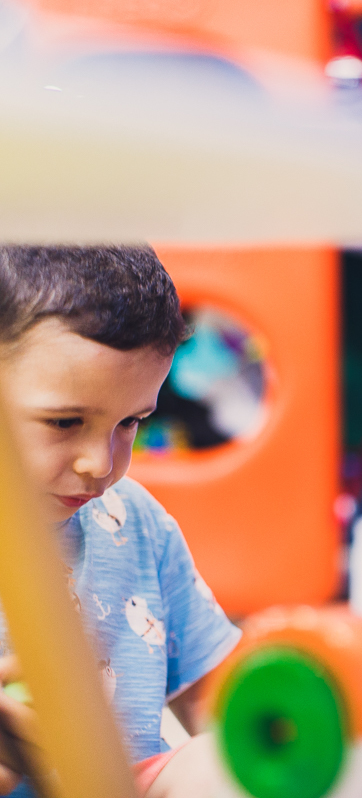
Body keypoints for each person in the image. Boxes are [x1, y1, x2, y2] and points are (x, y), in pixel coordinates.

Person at [0, 247, 241, 798]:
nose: (100, 464)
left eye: (131, 422)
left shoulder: (136, 521)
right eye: (64, 421)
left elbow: (225, 708)